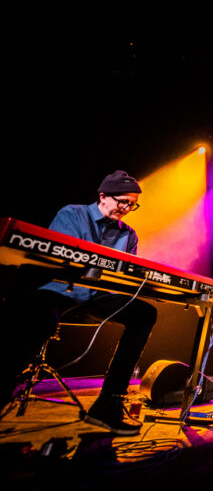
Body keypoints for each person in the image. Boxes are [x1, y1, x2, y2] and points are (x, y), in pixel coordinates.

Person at [1, 170, 156, 436]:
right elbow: (58, 258)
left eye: (132, 204)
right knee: (37, 316)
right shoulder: (72, 214)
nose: (127, 209)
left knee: (144, 314)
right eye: (123, 201)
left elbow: (124, 274)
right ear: (103, 196)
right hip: (59, 290)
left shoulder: (129, 234)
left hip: (95, 296)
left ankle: (108, 404)